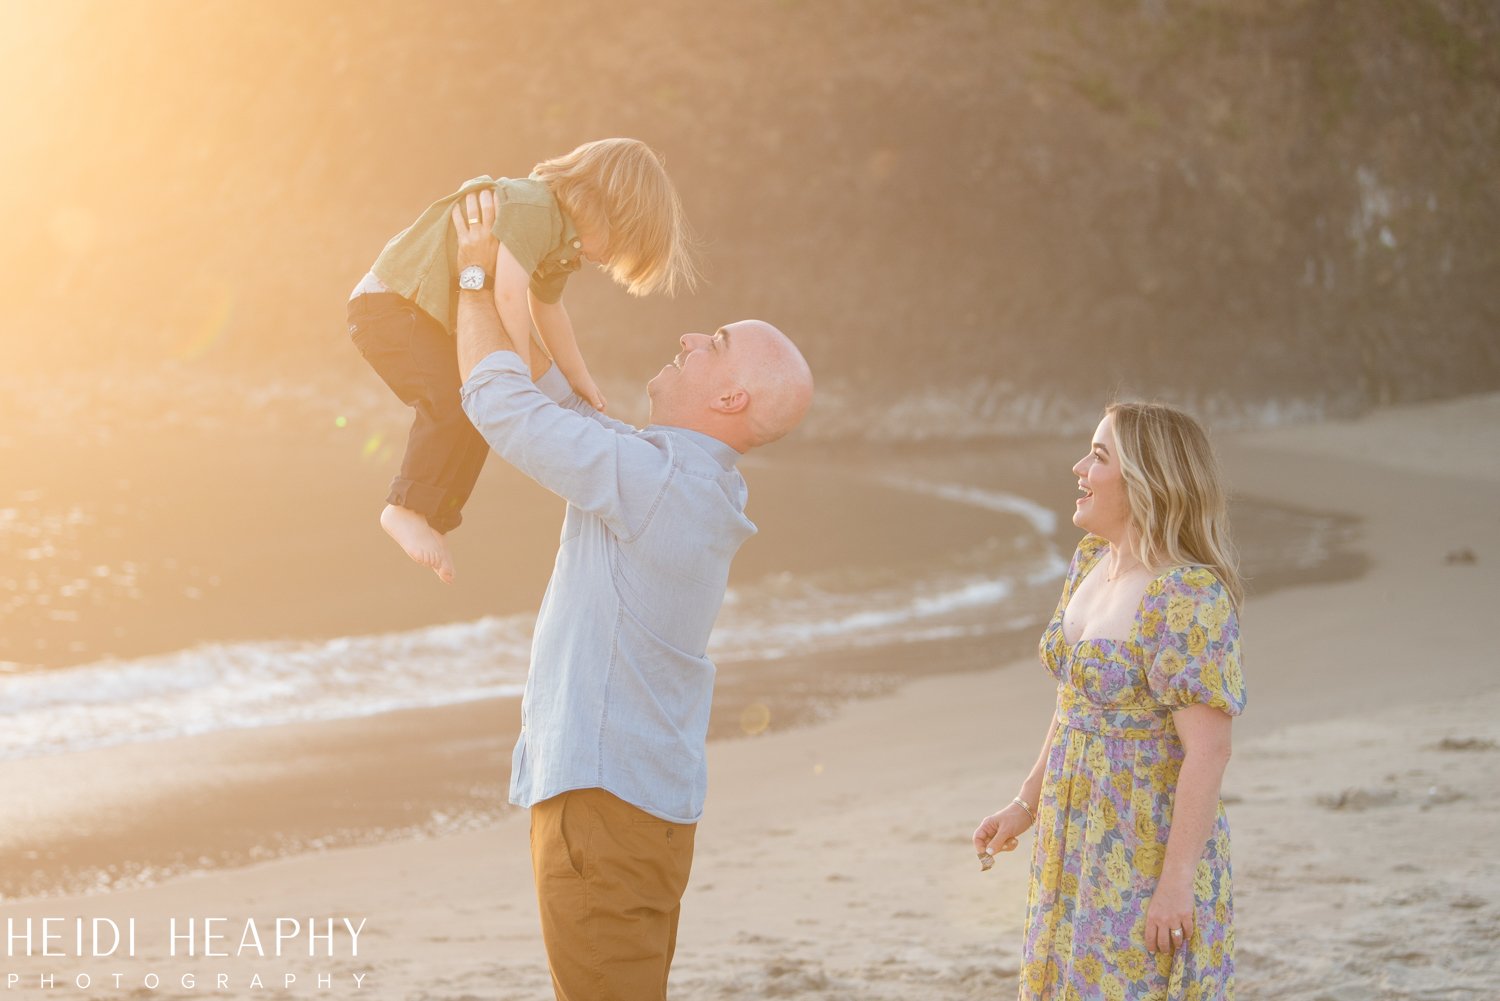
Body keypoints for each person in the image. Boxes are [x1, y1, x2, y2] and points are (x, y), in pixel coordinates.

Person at [450, 188, 813, 1000]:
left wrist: (472, 278)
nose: (689, 336)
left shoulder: (656, 480)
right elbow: (553, 400)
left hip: (604, 800)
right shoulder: (677, 476)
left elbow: (500, 406)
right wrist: (535, 277)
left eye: (714, 342)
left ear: (731, 399)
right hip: (631, 800)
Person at [972, 402, 1247, 1001]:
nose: (1078, 468)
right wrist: (1026, 803)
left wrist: (1175, 884)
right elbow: (1073, 707)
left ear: (1149, 480)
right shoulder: (1089, 562)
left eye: (1098, 456)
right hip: (1072, 831)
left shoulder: (1187, 596)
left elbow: (1209, 751)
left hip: (1142, 841)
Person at [347, 138, 697, 582]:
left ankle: (432, 516)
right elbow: (507, 293)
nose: (606, 260)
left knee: (478, 409)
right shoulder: (534, 209)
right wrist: (515, 375)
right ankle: (404, 508)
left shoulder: (563, 241)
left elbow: (547, 309)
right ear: (606, 207)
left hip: (428, 315)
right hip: (389, 307)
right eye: (617, 245)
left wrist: (578, 378)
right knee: (453, 401)